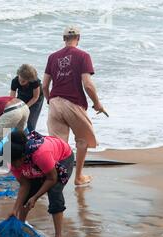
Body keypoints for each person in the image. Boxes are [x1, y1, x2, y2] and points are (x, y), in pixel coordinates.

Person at [43, 26, 107, 186]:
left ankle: (54, 179)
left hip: (55, 103)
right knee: (83, 140)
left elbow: (44, 85)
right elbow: (88, 85)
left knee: (58, 146)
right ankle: (78, 177)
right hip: (73, 103)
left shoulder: (52, 57)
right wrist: (97, 104)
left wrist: (49, 101)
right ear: (78, 38)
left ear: (63, 38)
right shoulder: (83, 56)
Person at [7, 130, 74, 237]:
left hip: (62, 157)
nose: (12, 166)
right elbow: (24, 185)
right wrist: (15, 209)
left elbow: (52, 178)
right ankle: (21, 226)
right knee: (27, 196)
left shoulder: (40, 154)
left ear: (22, 157)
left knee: (54, 193)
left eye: (14, 163)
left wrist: (36, 197)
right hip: (38, 163)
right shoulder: (14, 161)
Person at [10, 64, 44, 131]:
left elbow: (35, 97)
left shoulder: (35, 82)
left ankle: (30, 136)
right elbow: (12, 98)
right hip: (22, 96)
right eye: (20, 79)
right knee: (17, 118)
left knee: (30, 122)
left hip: (36, 100)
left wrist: (25, 107)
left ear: (29, 80)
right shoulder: (15, 81)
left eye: (23, 81)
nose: (20, 82)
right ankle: (18, 137)